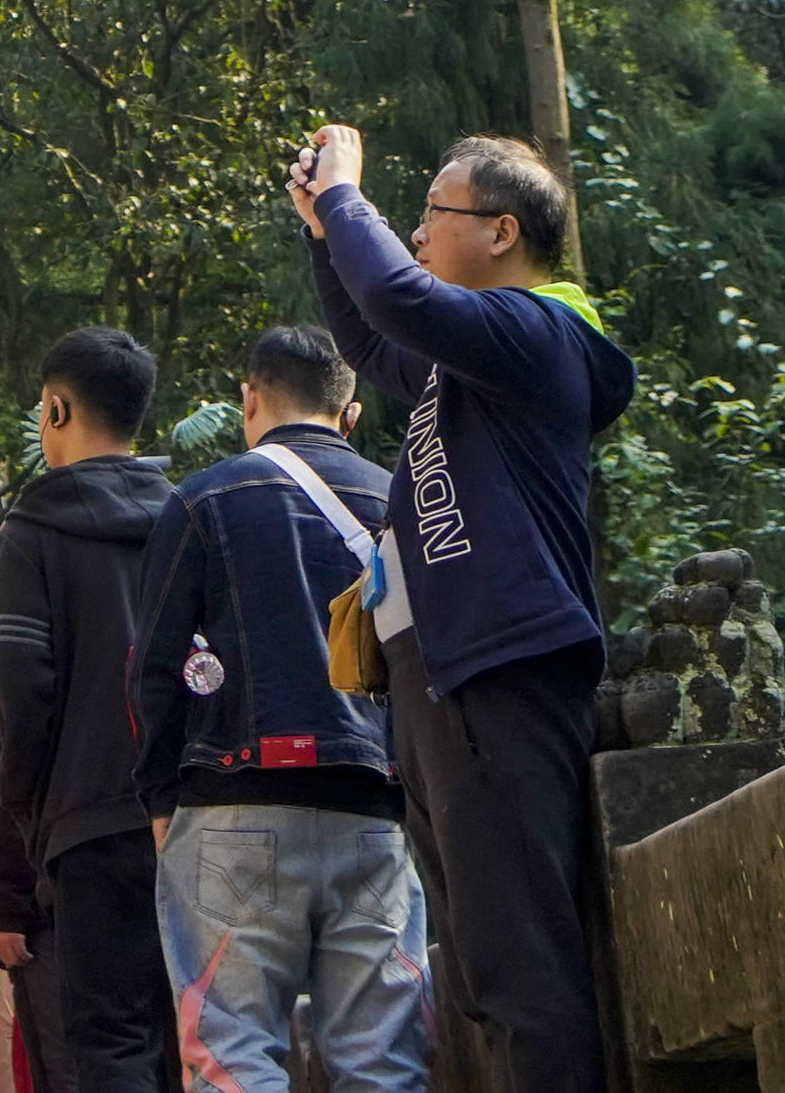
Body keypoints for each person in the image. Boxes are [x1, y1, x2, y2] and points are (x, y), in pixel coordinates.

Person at [296, 125, 631, 1093]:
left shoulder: (537, 333)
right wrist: (324, 229)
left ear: (499, 231)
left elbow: (397, 296)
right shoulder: (466, 363)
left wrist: (348, 197)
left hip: (499, 667)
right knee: (485, 971)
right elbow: (369, 332)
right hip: (444, 676)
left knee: (522, 969)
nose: (413, 231)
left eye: (432, 213)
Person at [132, 324, 429, 1093]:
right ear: (352, 412)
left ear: (249, 399)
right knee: (382, 1061)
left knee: (233, 1056)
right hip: (376, 809)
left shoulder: (202, 499)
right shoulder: (399, 501)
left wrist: (162, 797)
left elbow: (154, 668)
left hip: (233, 805)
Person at [0, 328, 178, 1093]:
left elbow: (22, 687)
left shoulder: (32, 527)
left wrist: (26, 807)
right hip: (192, 813)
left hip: (89, 826)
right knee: (194, 1030)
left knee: (111, 1038)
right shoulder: (186, 512)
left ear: (57, 407)